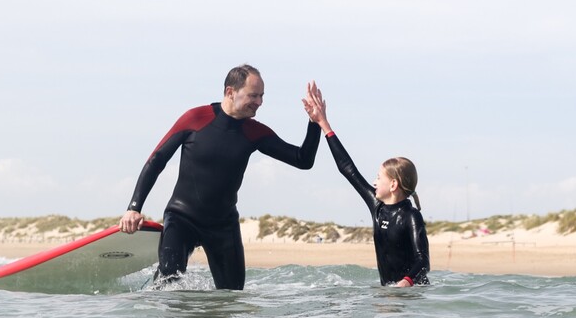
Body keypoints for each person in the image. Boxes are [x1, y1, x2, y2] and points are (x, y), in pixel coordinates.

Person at [119, 64, 321, 290]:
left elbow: (303, 160)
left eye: (262, 96)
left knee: (232, 297)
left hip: (223, 226)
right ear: (230, 92)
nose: (259, 102)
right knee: (168, 286)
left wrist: (314, 122)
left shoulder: (254, 132)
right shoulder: (196, 118)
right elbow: (157, 160)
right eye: (253, 95)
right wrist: (134, 207)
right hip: (181, 218)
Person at [303, 82, 429, 286]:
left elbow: (423, 261)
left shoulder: (411, 216)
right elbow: (348, 169)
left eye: (379, 178)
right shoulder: (377, 206)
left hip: (411, 295)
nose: (374, 182)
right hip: (389, 294)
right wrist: (323, 124)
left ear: (393, 185)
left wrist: (405, 283)